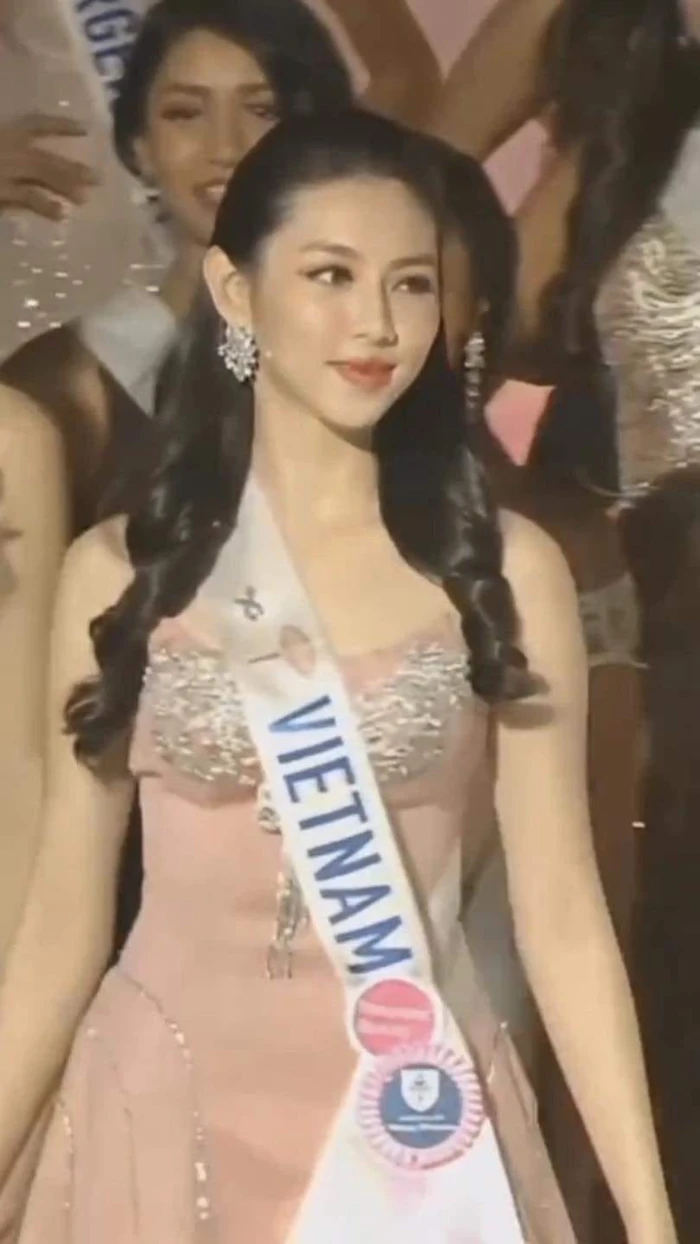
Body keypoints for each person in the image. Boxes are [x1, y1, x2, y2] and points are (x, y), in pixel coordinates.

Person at [0, 106, 676, 1244]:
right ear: (235, 291)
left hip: (415, 1127)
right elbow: (61, 930)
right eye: (331, 275)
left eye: (412, 284)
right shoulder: (122, 572)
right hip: (161, 1120)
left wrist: (650, 1221)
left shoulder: (503, 570)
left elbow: (564, 921)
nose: (377, 323)